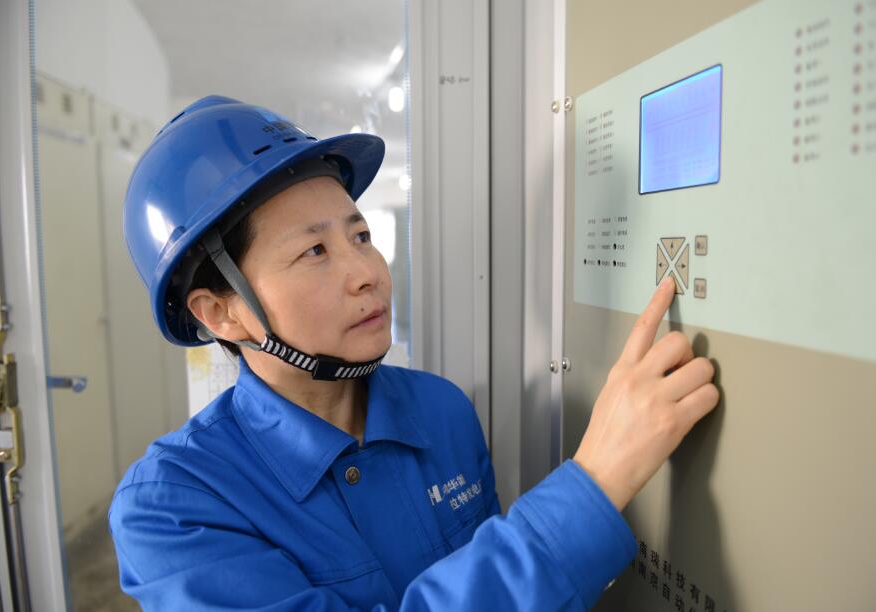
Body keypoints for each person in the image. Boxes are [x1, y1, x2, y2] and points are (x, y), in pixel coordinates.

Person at [110, 95, 718, 610]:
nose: (368, 273)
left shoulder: (439, 410)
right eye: (314, 251)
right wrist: (596, 481)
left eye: (360, 236)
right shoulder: (174, 506)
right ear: (221, 312)